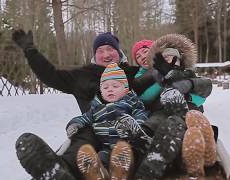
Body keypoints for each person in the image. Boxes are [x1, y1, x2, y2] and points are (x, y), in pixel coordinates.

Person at [12, 30, 146, 179]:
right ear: (95, 56)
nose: (106, 54)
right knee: (83, 141)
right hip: (93, 127)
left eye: (111, 49)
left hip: (126, 129)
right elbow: (51, 76)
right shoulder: (82, 75)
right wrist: (31, 52)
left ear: (119, 53)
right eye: (100, 51)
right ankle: (60, 171)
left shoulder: (133, 73)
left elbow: (156, 77)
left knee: (129, 146)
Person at [125, 34, 216, 179]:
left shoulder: (187, 73)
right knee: (158, 125)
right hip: (162, 111)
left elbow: (204, 88)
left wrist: (188, 87)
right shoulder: (148, 75)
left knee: (187, 124)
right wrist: (160, 78)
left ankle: (204, 150)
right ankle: (138, 148)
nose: (143, 56)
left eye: (146, 51)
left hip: (187, 110)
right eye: (138, 55)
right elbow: (143, 96)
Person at [65, 62, 151, 179]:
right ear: (101, 90)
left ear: (126, 89)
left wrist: (135, 125)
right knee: (100, 158)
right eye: (105, 87)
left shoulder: (130, 102)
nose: (110, 89)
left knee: (126, 157)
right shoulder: (97, 108)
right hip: (105, 146)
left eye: (115, 86)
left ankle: (122, 174)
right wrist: (75, 124)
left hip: (126, 144)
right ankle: (99, 175)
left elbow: (141, 114)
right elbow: (85, 117)